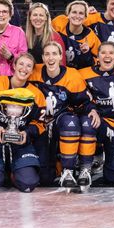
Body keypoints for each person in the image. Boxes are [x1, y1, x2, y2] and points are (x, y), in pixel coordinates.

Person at [0, 53, 46, 193]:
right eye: (21, 64)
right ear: (14, 65)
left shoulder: (36, 94)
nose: (24, 68)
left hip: (20, 145)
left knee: (28, 184)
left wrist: (26, 133)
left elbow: (41, 123)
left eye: (28, 66)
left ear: (32, 71)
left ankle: (12, 173)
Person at [29, 42, 96, 190]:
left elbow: (84, 101)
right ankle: (56, 166)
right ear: (42, 58)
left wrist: (93, 109)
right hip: (39, 122)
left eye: (54, 54)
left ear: (60, 56)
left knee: (72, 121)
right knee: (45, 178)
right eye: (47, 54)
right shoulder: (34, 71)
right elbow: (15, 79)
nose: (50, 57)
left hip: (61, 118)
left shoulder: (71, 75)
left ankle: (69, 171)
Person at [79, 42, 114, 186]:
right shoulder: (85, 74)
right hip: (101, 122)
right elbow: (79, 97)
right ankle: (88, 162)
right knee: (87, 122)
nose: (107, 56)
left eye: (111, 53)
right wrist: (91, 109)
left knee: (112, 178)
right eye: (103, 52)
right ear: (97, 56)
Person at [52, 0, 100, 69]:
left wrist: (87, 54)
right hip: (57, 70)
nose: (77, 16)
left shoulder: (90, 36)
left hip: (78, 73)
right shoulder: (59, 22)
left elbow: (98, 61)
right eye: (74, 12)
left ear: (85, 17)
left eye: (81, 13)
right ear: (68, 14)